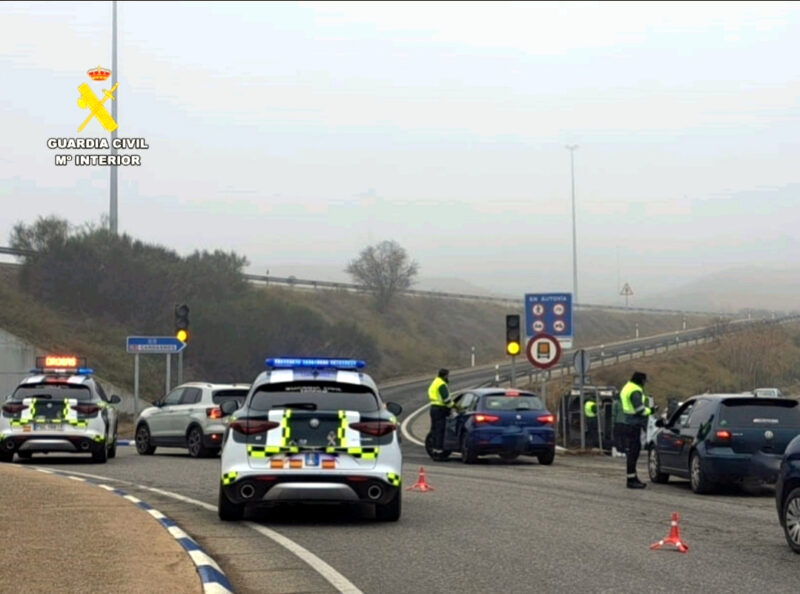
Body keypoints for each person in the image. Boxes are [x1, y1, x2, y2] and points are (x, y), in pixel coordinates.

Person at [619, 371, 656, 489]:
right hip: (633, 424)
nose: (645, 384)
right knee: (634, 452)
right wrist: (651, 410)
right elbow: (640, 409)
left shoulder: (627, 387)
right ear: (641, 380)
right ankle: (631, 480)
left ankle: (632, 477)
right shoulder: (635, 390)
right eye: (644, 381)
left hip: (628, 422)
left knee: (632, 452)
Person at [428, 368, 452, 452]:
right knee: (440, 430)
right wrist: (453, 406)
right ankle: (439, 450)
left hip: (433, 408)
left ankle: (434, 448)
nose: (448, 377)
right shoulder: (441, 384)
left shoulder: (435, 382)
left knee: (434, 429)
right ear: (445, 375)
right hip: (441, 409)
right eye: (448, 375)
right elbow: (446, 399)